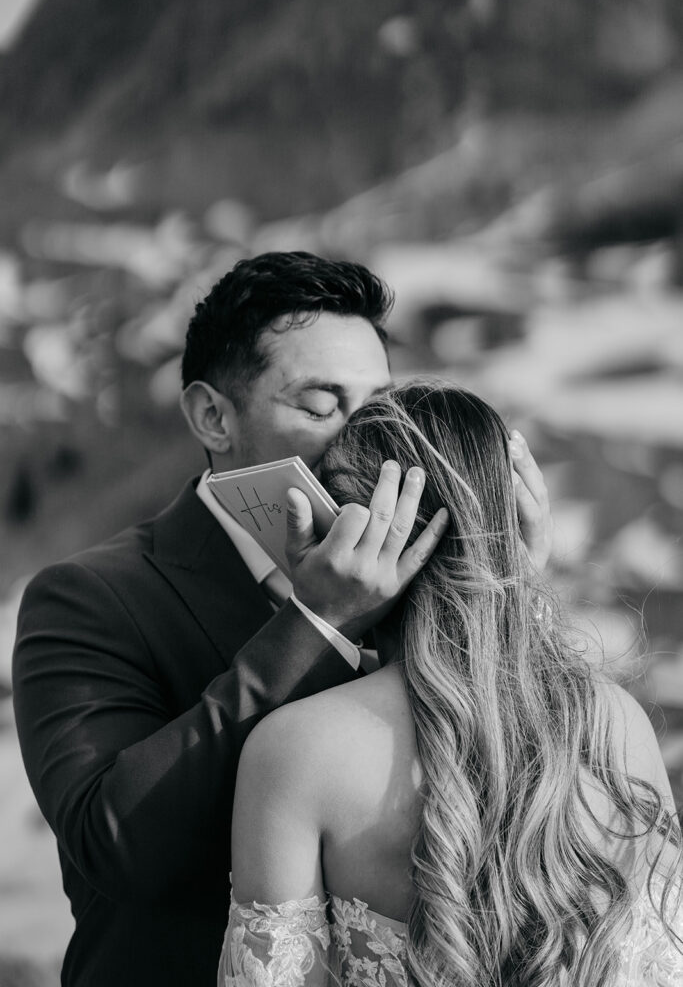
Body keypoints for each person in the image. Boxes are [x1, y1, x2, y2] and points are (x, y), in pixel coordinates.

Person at [12, 253, 550, 987]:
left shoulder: (419, 563)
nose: (361, 439)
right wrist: (318, 623)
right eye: (321, 406)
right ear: (214, 417)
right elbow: (117, 846)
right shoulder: (88, 597)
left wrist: (509, 589)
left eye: (377, 406)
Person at [221, 381, 683, 987]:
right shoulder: (614, 723)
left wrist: (321, 613)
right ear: (512, 521)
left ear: (346, 533)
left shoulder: (297, 751)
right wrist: (511, 584)